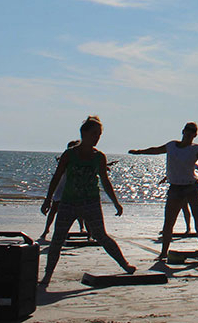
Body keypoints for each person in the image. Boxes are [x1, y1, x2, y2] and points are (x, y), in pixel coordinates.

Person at [40, 116, 135, 288]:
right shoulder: (69, 154)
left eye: (99, 134)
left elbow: (105, 181)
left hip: (91, 203)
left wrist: (116, 202)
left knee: (101, 235)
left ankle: (124, 264)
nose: (97, 137)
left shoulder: (99, 157)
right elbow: (57, 177)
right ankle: (47, 275)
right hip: (68, 203)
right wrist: (48, 199)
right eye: (94, 133)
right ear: (83, 133)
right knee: (57, 240)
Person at [129, 122, 198, 258]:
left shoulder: (196, 149)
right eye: (187, 130)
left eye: (192, 131)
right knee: (169, 221)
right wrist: (139, 152)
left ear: (195, 134)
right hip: (175, 188)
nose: (189, 133)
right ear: (183, 131)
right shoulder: (172, 146)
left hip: (191, 187)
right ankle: (163, 252)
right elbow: (155, 150)